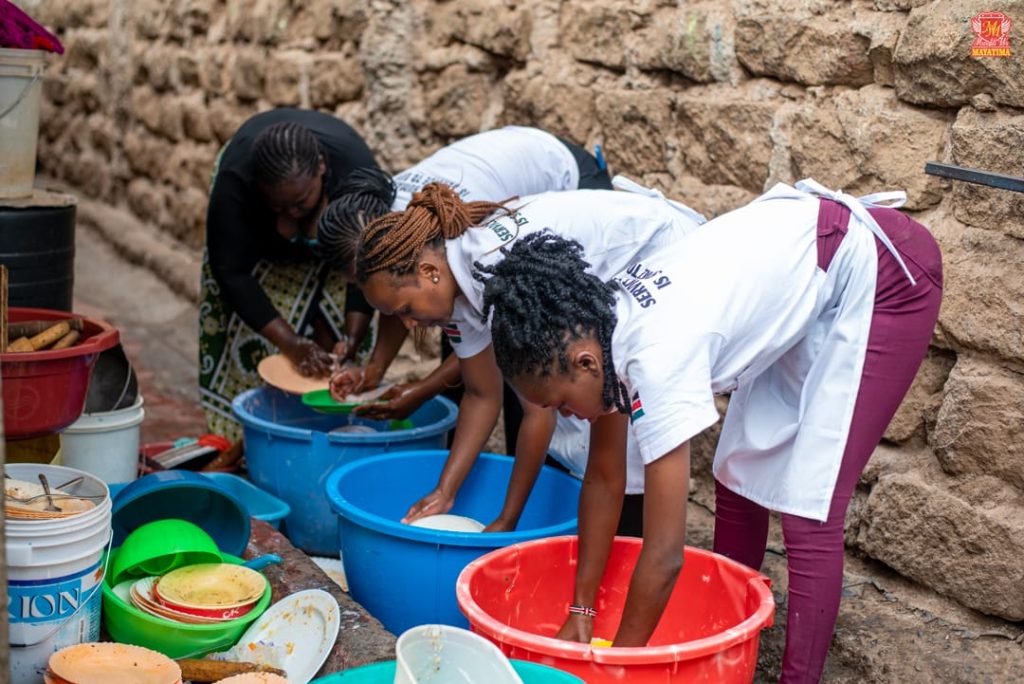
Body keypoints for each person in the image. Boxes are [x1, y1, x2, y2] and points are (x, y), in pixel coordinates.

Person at [475, 180, 943, 682]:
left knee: (810, 509)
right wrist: (583, 611)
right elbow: (606, 478)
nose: (565, 417)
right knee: (737, 478)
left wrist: (614, 672)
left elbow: (665, 554)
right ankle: (724, 642)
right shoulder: (596, 326)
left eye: (561, 404)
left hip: (885, 276)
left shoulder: (656, 359)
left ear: (584, 364)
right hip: (808, 267)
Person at [353, 181, 706, 532]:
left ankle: (633, 549)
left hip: (663, 254)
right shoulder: (453, 286)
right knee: (581, 423)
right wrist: (444, 492)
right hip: (612, 274)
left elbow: (539, 414)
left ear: (429, 272)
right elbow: (480, 394)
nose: (409, 323)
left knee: (622, 435)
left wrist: (507, 520)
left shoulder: (497, 277)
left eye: (405, 309)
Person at [321, 125, 613, 455]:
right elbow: (397, 300)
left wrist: (424, 389)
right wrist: (375, 370)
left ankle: (547, 482)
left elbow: (485, 340)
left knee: (536, 378)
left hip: (566, 178)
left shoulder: (462, 240)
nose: (406, 320)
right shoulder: (402, 250)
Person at [200, 108, 379, 441]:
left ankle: (334, 427)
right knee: (254, 344)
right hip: (259, 247)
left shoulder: (356, 174)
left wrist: (352, 337)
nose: (292, 212)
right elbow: (231, 271)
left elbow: (366, 265)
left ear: (322, 169)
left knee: (339, 333)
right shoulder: (235, 184)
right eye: (280, 207)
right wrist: (291, 343)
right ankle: (242, 436)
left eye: (300, 201)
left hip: (340, 223)